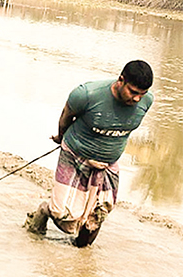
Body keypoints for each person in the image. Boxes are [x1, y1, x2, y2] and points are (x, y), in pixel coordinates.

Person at [25, 60, 154, 247]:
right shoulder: (86, 94)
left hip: (108, 164)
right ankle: (45, 210)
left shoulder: (146, 101)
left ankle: (81, 251)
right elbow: (66, 117)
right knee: (63, 215)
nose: (136, 99)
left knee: (96, 216)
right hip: (75, 155)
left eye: (142, 94)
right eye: (133, 92)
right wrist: (60, 137)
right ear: (121, 80)